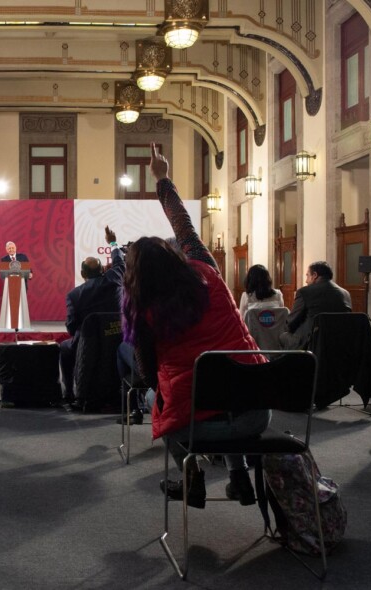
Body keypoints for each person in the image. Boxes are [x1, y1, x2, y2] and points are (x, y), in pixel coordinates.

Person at [122, 143, 267, 509]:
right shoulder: (208, 271)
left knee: (160, 400)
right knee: (223, 383)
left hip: (198, 426)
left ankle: (193, 479)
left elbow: (149, 376)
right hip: (256, 410)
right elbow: (183, 226)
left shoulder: (144, 312)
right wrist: (162, 178)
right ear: (176, 257)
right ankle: (238, 478)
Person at [60, 226, 123, 405]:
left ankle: (69, 393)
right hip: (117, 339)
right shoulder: (114, 279)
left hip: (86, 344)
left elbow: (71, 328)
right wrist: (112, 242)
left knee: (65, 347)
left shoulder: (74, 295)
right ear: (103, 270)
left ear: (82, 274)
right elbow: (120, 262)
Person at [279, 261, 352, 350]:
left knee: (282, 337)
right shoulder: (345, 293)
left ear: (314, 275)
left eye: (307, 275)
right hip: (340, 343)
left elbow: (291, 323)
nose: (306, 281)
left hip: (312, 344)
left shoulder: (304, 292)